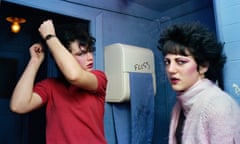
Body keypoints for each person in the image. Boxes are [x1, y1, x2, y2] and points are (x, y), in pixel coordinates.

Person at [10, 19, 107, 144]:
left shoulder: (99, 78)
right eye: (81, 53)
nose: (90, 57)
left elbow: (74, 76)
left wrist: (50, 36)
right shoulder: (50, 86)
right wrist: (35, 61)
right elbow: (18, 106)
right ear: (63, 56)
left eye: (89, 51)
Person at [158, 22, 240, 144]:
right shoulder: (178, 107)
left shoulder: (219, 106)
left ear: (203, 66)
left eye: (180, 62)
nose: (170, 69)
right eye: (167, 62)